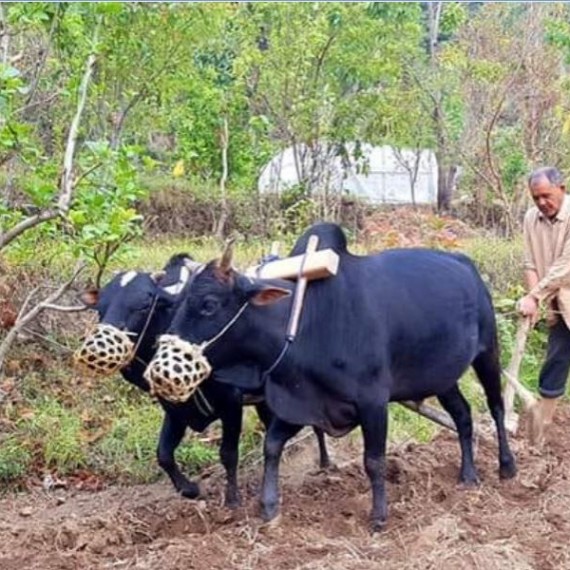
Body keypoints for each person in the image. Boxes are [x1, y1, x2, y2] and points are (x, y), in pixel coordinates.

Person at [518, 166, 570, 445]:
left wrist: (535, 296)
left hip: (560, 295)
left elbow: (565, 267)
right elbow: (529, 262)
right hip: (559, 306)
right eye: (535, 197)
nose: (541, 202)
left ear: (561, 189)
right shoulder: (531, 218)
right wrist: (533, 299)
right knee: (556, 361)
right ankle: (542, 427)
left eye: (546, 196)